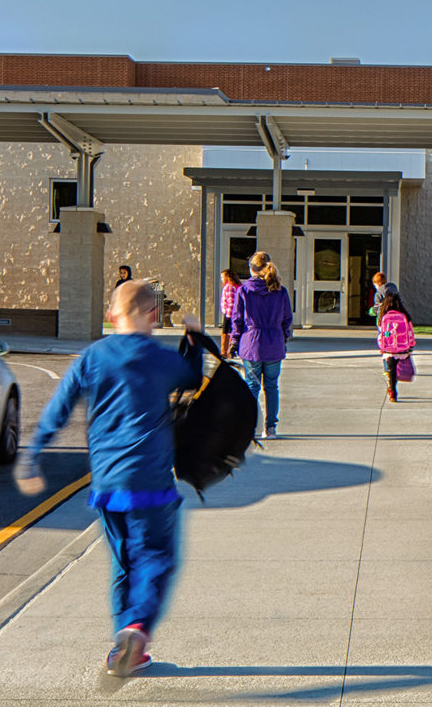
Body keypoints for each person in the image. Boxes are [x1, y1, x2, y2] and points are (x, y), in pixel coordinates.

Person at [16, 280, 207, 680]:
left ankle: (123, 646)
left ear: (110, 315)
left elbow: (59, 408)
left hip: (106, 486)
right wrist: (194, 336)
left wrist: (32, 457)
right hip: (150, 481)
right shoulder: (158, 358)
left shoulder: (92, 356)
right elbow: (191, 378)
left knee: (124, 565)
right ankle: (136, 629)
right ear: (154, 315)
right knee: (156, 558)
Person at [229, 251, 294, 439]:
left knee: (252, 386)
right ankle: (271, 427)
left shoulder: (243, 290)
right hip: (274, 342)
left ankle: (251, 425)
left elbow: (237, 320)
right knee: (272, 386)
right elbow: (287, 318)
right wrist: (283, 337)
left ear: (251, 269)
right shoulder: (280, 290)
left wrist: (234, 341)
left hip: (251, 343)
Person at [376, 285, 416, 402]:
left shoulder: (383, 317)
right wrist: (411, 345)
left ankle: (392, 390)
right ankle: (392, 387)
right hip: (402, 348)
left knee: (391, 369)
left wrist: (382, 346)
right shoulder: (405, 316)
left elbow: (381, 333)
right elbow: (410, 331)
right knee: (396, 369)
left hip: (389, 349)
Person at [218, 268, 241, 358]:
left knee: (226, 331)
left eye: (222, 277)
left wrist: (229, 314)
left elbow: (231, 301)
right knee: (232, 331)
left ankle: (225, 351)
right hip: (235, 313)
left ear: (227, 277)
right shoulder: (237, 286)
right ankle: (230, 351)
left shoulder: (229, 287)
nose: (221, 279)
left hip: (229, 313)